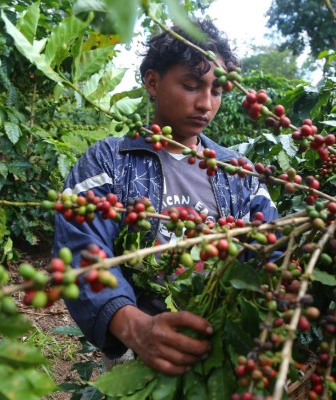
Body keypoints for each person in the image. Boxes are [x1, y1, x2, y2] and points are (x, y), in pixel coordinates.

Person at [54, 19, 279, 376]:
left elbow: (272, 248)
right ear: (153, 82)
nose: (205, 104)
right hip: (135, 350)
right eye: (191, 86)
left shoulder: (240, 173)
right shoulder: (110, 161)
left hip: (222, 345)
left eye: (217, 91)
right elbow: (83, 252)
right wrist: (134, 327)